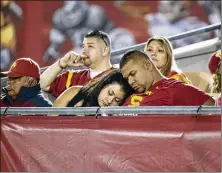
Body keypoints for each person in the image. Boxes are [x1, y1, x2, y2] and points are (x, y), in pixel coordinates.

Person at [119, 50, 215, 106]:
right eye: (127, 78)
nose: (131, 81)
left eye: (133, 73)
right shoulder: (129, 93)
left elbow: (212, 107)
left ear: (147, 66)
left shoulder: (175, 89)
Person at [40, 30, 115, 98]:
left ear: (105, 50)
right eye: (83, 46)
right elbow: (43, 84)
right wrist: (62, 63)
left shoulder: (121, 77)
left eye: (90, 46)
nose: (84, 50)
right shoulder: (72, 78)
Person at [49, 69, 134, 116]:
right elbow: (48, 123)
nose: (109, 101)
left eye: (117, 100)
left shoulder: (111, 117)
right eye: (110, 93)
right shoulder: (74, 92)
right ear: (103, 85)